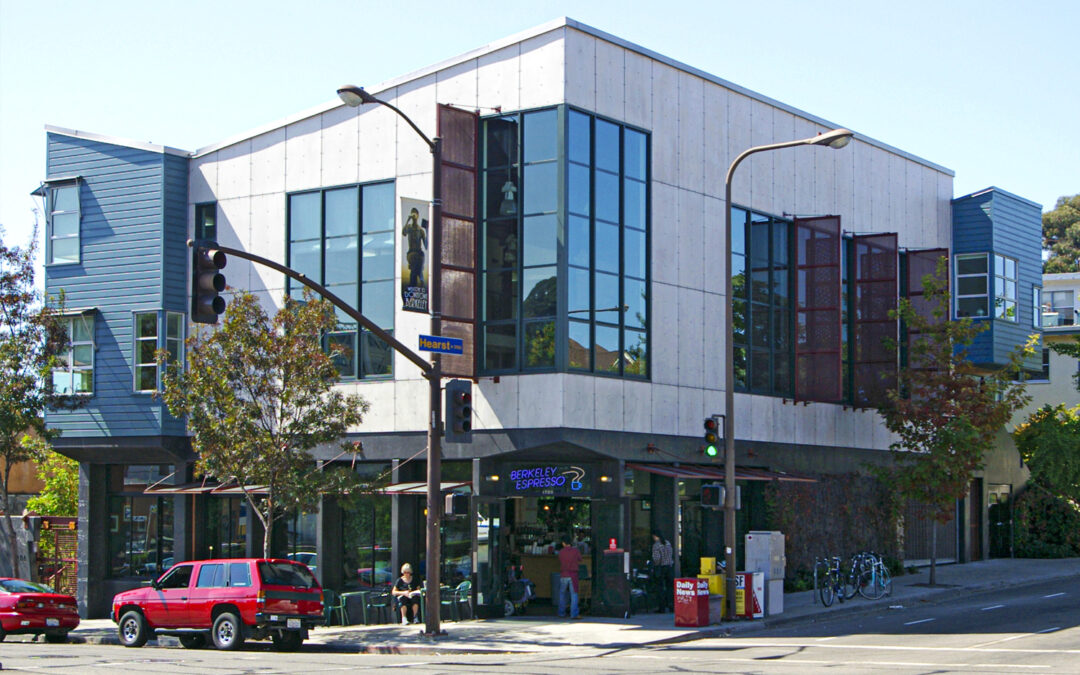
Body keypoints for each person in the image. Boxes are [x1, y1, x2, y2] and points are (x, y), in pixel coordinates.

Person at [557, 535, 583, 619]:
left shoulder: (561, 552)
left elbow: (560, 560)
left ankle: (561, 613)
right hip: (573, 575)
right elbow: (580, 559)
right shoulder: (575, 551)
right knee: (574, 594)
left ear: (563, 543)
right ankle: (574, 613)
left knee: (562, 594)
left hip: (564, 574)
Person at [651, 531, 674, 613]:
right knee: (670, 587)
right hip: (669, 567)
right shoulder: (667, 543)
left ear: (655, 536)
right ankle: (671, 605)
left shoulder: (656, 545)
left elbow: (657, 558)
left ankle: (662, 607)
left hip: (661, 567)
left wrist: (655, 565)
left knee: (660, 588)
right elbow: (671, 554)